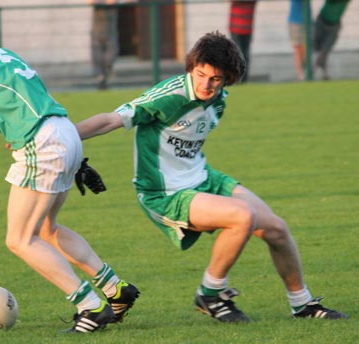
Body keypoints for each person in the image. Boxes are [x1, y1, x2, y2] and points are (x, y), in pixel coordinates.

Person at [75, 31, 348, 322]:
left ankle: (302, 304)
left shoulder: (219, 100)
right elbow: (109, 120)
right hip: (164, 193)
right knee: (242, 216)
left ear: (227, 79)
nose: (206, 84)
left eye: (215, 79)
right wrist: (60, 138)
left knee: (276, 229)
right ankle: (210, 293)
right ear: (191, 68)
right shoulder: (171, 96)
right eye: (200, 74)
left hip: (203, 178)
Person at [0, 17, 139, 333]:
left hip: (44, 144)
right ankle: (115, 289)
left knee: (19, 239)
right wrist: (69, 152)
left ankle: (90, 306)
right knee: (47, 230)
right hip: (64, 131)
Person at [86, 0, 136, 90]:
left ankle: (107, 71)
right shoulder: (98, 3)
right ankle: (101, 79)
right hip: (97, 34)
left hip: (111, 34)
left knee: (111, 55)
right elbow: (89, 2)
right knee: (97, 57)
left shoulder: (115, 2)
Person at [313, 0, 350, 80]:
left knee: (325, 50)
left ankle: (313, 71)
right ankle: (324, 74)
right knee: (319, 49)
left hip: (334, 24)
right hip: (322, 21)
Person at [228, 0, 257, 83]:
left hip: (247, 28)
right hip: (235, 28)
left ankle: (244, 79)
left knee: (245, 55)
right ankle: (236, 78)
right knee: (236, 55)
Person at [288, 0, 310, 81]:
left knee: (305, 49)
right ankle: (301, 75)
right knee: (297, 48)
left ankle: (307, 72)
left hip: (307, 20)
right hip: (295, 21)